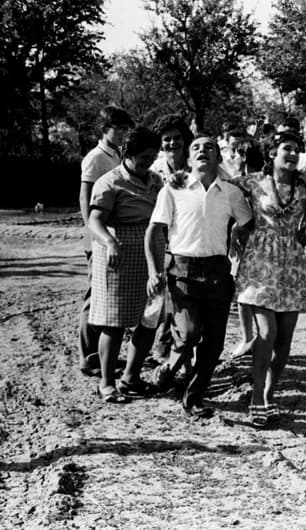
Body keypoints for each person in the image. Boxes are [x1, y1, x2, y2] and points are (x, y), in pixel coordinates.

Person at [145, 132, 254, 418]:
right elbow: (154, 231)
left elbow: (247, 223)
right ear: (189, 158)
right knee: (190, 333)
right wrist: (153, 271)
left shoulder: (231, 192)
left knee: (215, 342)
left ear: (218, 157)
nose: (203, 151)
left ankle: (193, 398)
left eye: (209, 147)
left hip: (218, 271)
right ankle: (169, 366)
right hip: (182, 271)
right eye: (196, 147)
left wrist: (235, 242)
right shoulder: (173, 189)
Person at [234, 130, 306, 427]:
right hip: (260, 263)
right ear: (272, 154)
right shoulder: (252, 182)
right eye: (286, 149)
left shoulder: (305, 187)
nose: (292, 154)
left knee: (284, 340)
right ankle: (256, 397)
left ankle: (270, 392)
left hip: (292, 265)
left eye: (296, 149)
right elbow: (219, 190)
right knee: (266, 333)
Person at [87, 127, 163, 402]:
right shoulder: (109, 182)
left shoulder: (156, 180)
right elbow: (94, 220)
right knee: (114, 321)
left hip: (151, 250)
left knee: (149, 317)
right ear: (128, 155)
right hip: (118, 252)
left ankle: (131, 377)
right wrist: (109, 242)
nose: (149, 162)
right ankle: (106, 383)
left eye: (153, 156)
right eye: (144, 156)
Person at [77, 106, 134, 377]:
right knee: (95, 294)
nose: (122, 134)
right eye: (117, 128)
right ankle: (89, 356)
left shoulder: (117, 155)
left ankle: (100, 354)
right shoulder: (96, 158)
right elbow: (85, 199)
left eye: (125, 129)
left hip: (114, 233)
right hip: (100, 236)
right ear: (104, 129)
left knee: (108, 294)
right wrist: (95, 236)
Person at [149, 114, 194, 364]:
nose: (172, 143)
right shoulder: (154, 169)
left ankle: (174, 349)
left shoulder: (195, 164)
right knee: (160, 296)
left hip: (188, 240)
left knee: (180, 297)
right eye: (166, 139)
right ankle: (160, 346)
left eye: (177, 138)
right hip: (160, 239)